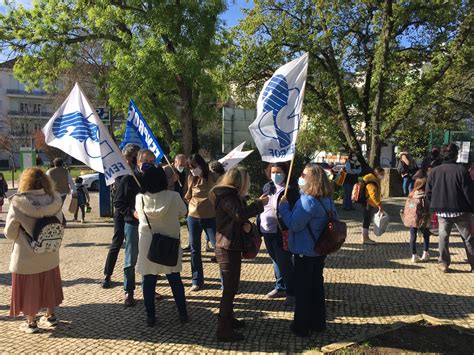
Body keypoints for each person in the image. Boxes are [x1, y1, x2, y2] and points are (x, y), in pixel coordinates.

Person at [209, 166, 268, 342]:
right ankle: (223, 330)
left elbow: (237, 214)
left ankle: (229, 319)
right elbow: (238, 214)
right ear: (240, 182)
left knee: (231, 287)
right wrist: (259, 205)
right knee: (230, 289)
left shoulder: (230, 195)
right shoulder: (227, 196)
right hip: (227, 247)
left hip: (231, 245)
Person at [278, 163, 335, 337]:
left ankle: (301, 326)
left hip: (305, 251)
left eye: (304, 175)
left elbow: (294, 224)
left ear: (312, 179)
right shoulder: (327, 198)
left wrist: (283, 207)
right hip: (320, 249)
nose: (301, 177)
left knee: (303, 290)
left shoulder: (307, 200)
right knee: (317, 286)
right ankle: (318, 323)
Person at [5, 168, 64, 333]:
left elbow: (10, 233)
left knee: (30, 288)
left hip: (26, 256)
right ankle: (50, 316)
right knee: (49, 284)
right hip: (49, 252)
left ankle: (31, 322)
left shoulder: (19, 203)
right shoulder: (54, 200)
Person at [135, 166, 188, 327]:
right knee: (175, 279)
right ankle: (183, 314)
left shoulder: (140, 198)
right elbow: (183, 212)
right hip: (169, 242)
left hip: (147, 244)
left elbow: (139, 215)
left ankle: (150, 316)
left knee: (148, 280)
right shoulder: (174, 196)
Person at [114, 148, 156, 306]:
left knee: (149, 259)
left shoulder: (155, 179)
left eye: (152, 162)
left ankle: (149, 289)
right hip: (132, 224)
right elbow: (118, 203)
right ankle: (129, 291)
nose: (149, 165)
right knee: (130, 260)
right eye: (146, 162)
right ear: (138, 162)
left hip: (150, 224)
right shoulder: (128, 179)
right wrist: (132, 212)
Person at [426, 143, 474, 273]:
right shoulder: (462, 171)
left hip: (441, 209)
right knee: (468, 238)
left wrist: (434, 205)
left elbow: (428, 192)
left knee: (443, 236)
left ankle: (443, 263)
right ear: (456, 155)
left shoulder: (434, 171)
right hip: (461, 209)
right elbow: (468, 192)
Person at [258, 162, 299, 305]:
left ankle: (292, 292)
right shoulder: (268, 187)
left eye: (278, 172)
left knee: (284, 262)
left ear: (285, 173)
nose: (275, 175)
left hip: (280, 231)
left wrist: (286, 204)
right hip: (266, 230)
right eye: (273, 172)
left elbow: (294, 211)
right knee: (275, 260)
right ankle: (280, 286)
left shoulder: (291, 190)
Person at [102, 144, 140, 289]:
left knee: (139, 244)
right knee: (117, 242)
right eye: (132, 157)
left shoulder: (139, 171)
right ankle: (107, 274)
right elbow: (119, 197)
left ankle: (145, 273)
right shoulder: (119, 172)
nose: (134, 159)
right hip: (123, 212)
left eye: (136, 156)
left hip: (137, 212)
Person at [184, 153, 218, 291]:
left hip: (211, 217)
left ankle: (225, 280)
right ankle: (196, 280)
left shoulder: (213, 177)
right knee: (194, 250)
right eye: (190, 167)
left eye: (194, 167)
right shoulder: (191, 177)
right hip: (193, 217)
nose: (192, 169)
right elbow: (187, 195)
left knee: (218, 248)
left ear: (201, 164)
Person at [406, 177, 431, 263]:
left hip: (412, 218)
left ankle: (414, 255)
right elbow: (428, 208)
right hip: (423, 219)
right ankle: (425, 254)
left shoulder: (411, 194)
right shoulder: (425, 195)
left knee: (413, 237)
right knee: (426, 236)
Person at [361, 167, 385, 245]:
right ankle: (365, 238)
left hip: (369, 202)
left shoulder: (373, 179)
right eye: (381, 174)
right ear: (376, 173)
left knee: (366, 219)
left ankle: (365, 237)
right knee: (367, 220)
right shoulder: (371, 181)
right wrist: (379, 205)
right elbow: (373, 195)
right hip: (369, 202)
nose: (383, 176)